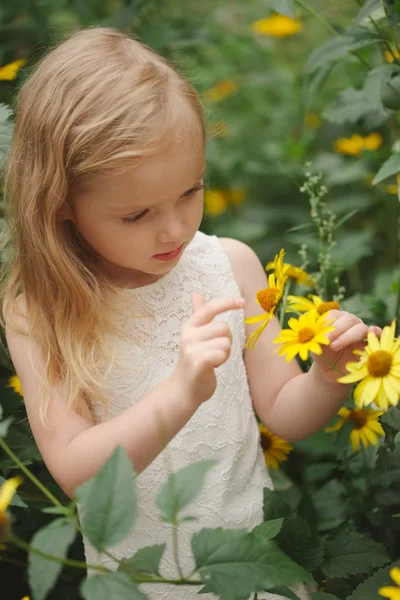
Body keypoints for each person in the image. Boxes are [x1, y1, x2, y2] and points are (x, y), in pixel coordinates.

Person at [1, 27, 380, 600]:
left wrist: (327, 376)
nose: (175, 228)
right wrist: (181, 391)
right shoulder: (43, 311)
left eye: (191, 190)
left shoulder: (229, 266)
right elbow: (80, 476)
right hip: (139, 583)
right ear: (60, 205)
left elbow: (284, 413)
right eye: (136, 215)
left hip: (247, 573)